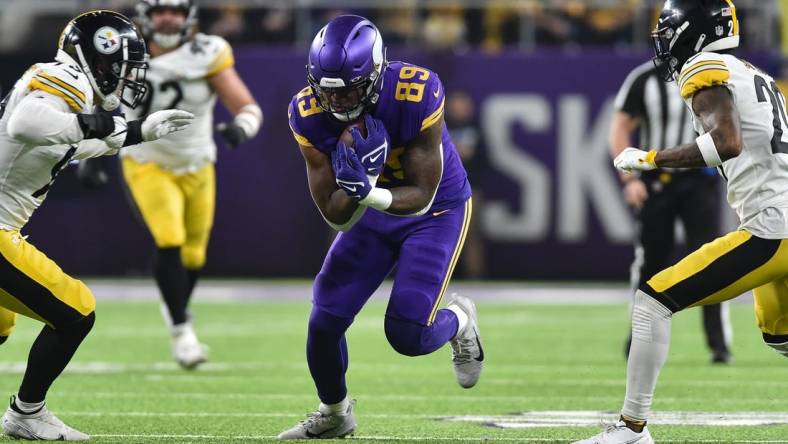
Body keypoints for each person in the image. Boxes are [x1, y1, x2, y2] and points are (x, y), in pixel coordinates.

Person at [576, 1, 788, 443]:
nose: (665, 40)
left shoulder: (705, 66)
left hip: (773, 228)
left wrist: (652, 159)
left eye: (669, 29)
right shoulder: (756, 75)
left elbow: (725, 142)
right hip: (778, 219)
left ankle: (632, 429)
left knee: (653, 300)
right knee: (782, 336)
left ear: (693, 29)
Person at [279, 15, 483, 439]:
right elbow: (333, 213)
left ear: (373, 74)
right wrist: (359, 193)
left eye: (349, 90)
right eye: (328, 91)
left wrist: (365, 191)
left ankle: (460, 319)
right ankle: (335, 413)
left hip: (434, 212)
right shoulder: (307, 111)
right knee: (323, 323)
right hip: (372, 213)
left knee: (408, 334)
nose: (337, 102)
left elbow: (423, 194)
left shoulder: (415, 91)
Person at [0, 10, 192, 440]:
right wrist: (87, 122)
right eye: (118, 67)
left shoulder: (69, 88)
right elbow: (26, 123)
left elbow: (70, 144)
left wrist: (139, 131)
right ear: (94, 58)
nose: (124, 78)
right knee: (76, 312)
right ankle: (26, 414)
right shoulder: (66, 78)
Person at [122, 0, 261, 369]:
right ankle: (182, 331)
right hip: (146, 162)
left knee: (194, 256)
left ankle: (176, 309)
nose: (168, 18)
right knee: (169, 239)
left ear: (188, 17)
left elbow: (247, 106)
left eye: (176, 11)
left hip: (198, 163)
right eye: (160, 11)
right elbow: (105, 109)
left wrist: (240, 128)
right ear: (146, 17)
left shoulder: (207, 52)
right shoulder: (127, 52)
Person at [612, 60, 732, 364]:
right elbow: (620, 127)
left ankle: (718, 342)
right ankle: (638, 337)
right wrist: (629, 179)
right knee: (650, 262)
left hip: (699, 180)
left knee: (712, 260)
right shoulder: (643, 78)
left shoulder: (712, 75)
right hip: (657, 182)